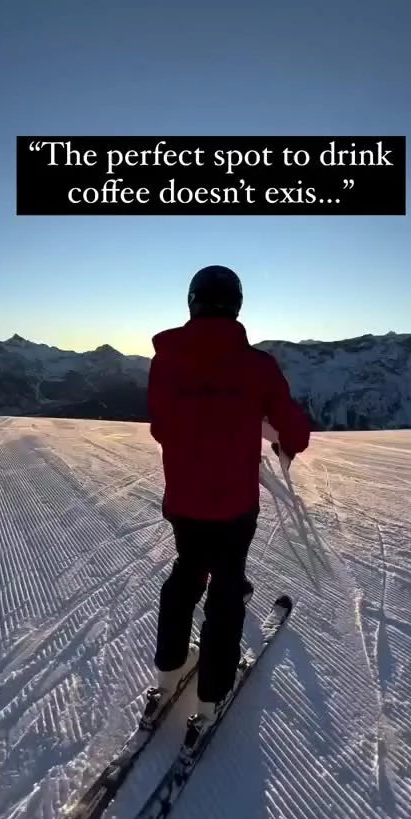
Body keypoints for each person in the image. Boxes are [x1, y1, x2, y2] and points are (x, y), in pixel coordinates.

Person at [146, 264, 310, 730]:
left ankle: (169, 670)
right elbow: (295, 435)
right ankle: (210, 697)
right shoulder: (258, 366)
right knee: (226, 586)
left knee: (186, 573)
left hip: (183, 500)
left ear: (192, 302)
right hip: (234, 505)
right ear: (236, 305)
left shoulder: (167, 359)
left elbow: (160, 427)